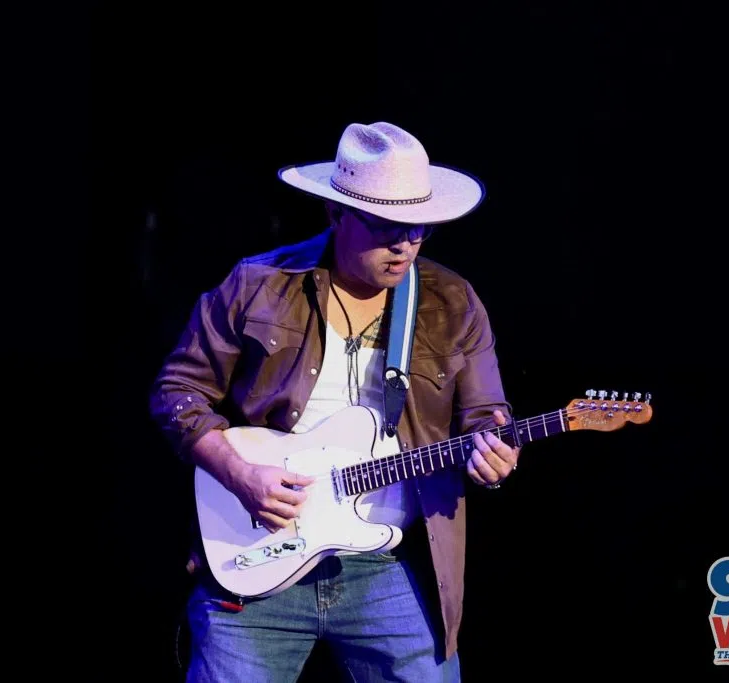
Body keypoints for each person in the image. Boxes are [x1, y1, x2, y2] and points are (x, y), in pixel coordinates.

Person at [149, 121, 521, 682]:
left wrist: (495, 454)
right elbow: (177, 391)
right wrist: (239, 474)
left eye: (419, 227)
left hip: (388, 565)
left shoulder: (452, 302)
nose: (405, 244)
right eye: (386, 226)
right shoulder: (259, 283)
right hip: (255, 553)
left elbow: (485, 415)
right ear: (336, 213)